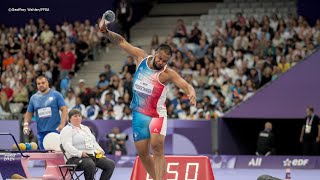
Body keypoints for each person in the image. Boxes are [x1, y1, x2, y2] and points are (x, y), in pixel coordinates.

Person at [98, 18, 197, 180]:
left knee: (157, 148)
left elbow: (185, 85)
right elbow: (122, 42)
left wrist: (191, 92)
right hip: (139, 113)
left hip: (157, 114)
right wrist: (106, 32)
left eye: (165, 61)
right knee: (143, 153)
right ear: (155, 53)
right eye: (160, 59)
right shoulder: (141, 57)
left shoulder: (167, 73)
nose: (162, 63)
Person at [60, 109, 115, 180]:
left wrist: (100, 151)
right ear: (70, 118)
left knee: (110, 164)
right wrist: (80, 153)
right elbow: (67, 146)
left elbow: (93, 142)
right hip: (74, 158)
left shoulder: (85, 128)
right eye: (75, 116)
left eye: (79, 116)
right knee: (90, 164)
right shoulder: (67, 130)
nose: (78, 118)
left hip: (92, 155)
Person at [23, 75, 68, 150]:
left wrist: (62, 124)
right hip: (41, 132)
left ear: (47, 83)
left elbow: (64, 109)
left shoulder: (56, 95)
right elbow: (29, 113)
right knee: (44, 156)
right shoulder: (34, 98)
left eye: (43, 83)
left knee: (56, 154)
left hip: (55, 130)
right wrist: (25, 124)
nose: (41, 85)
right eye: (38, 83)